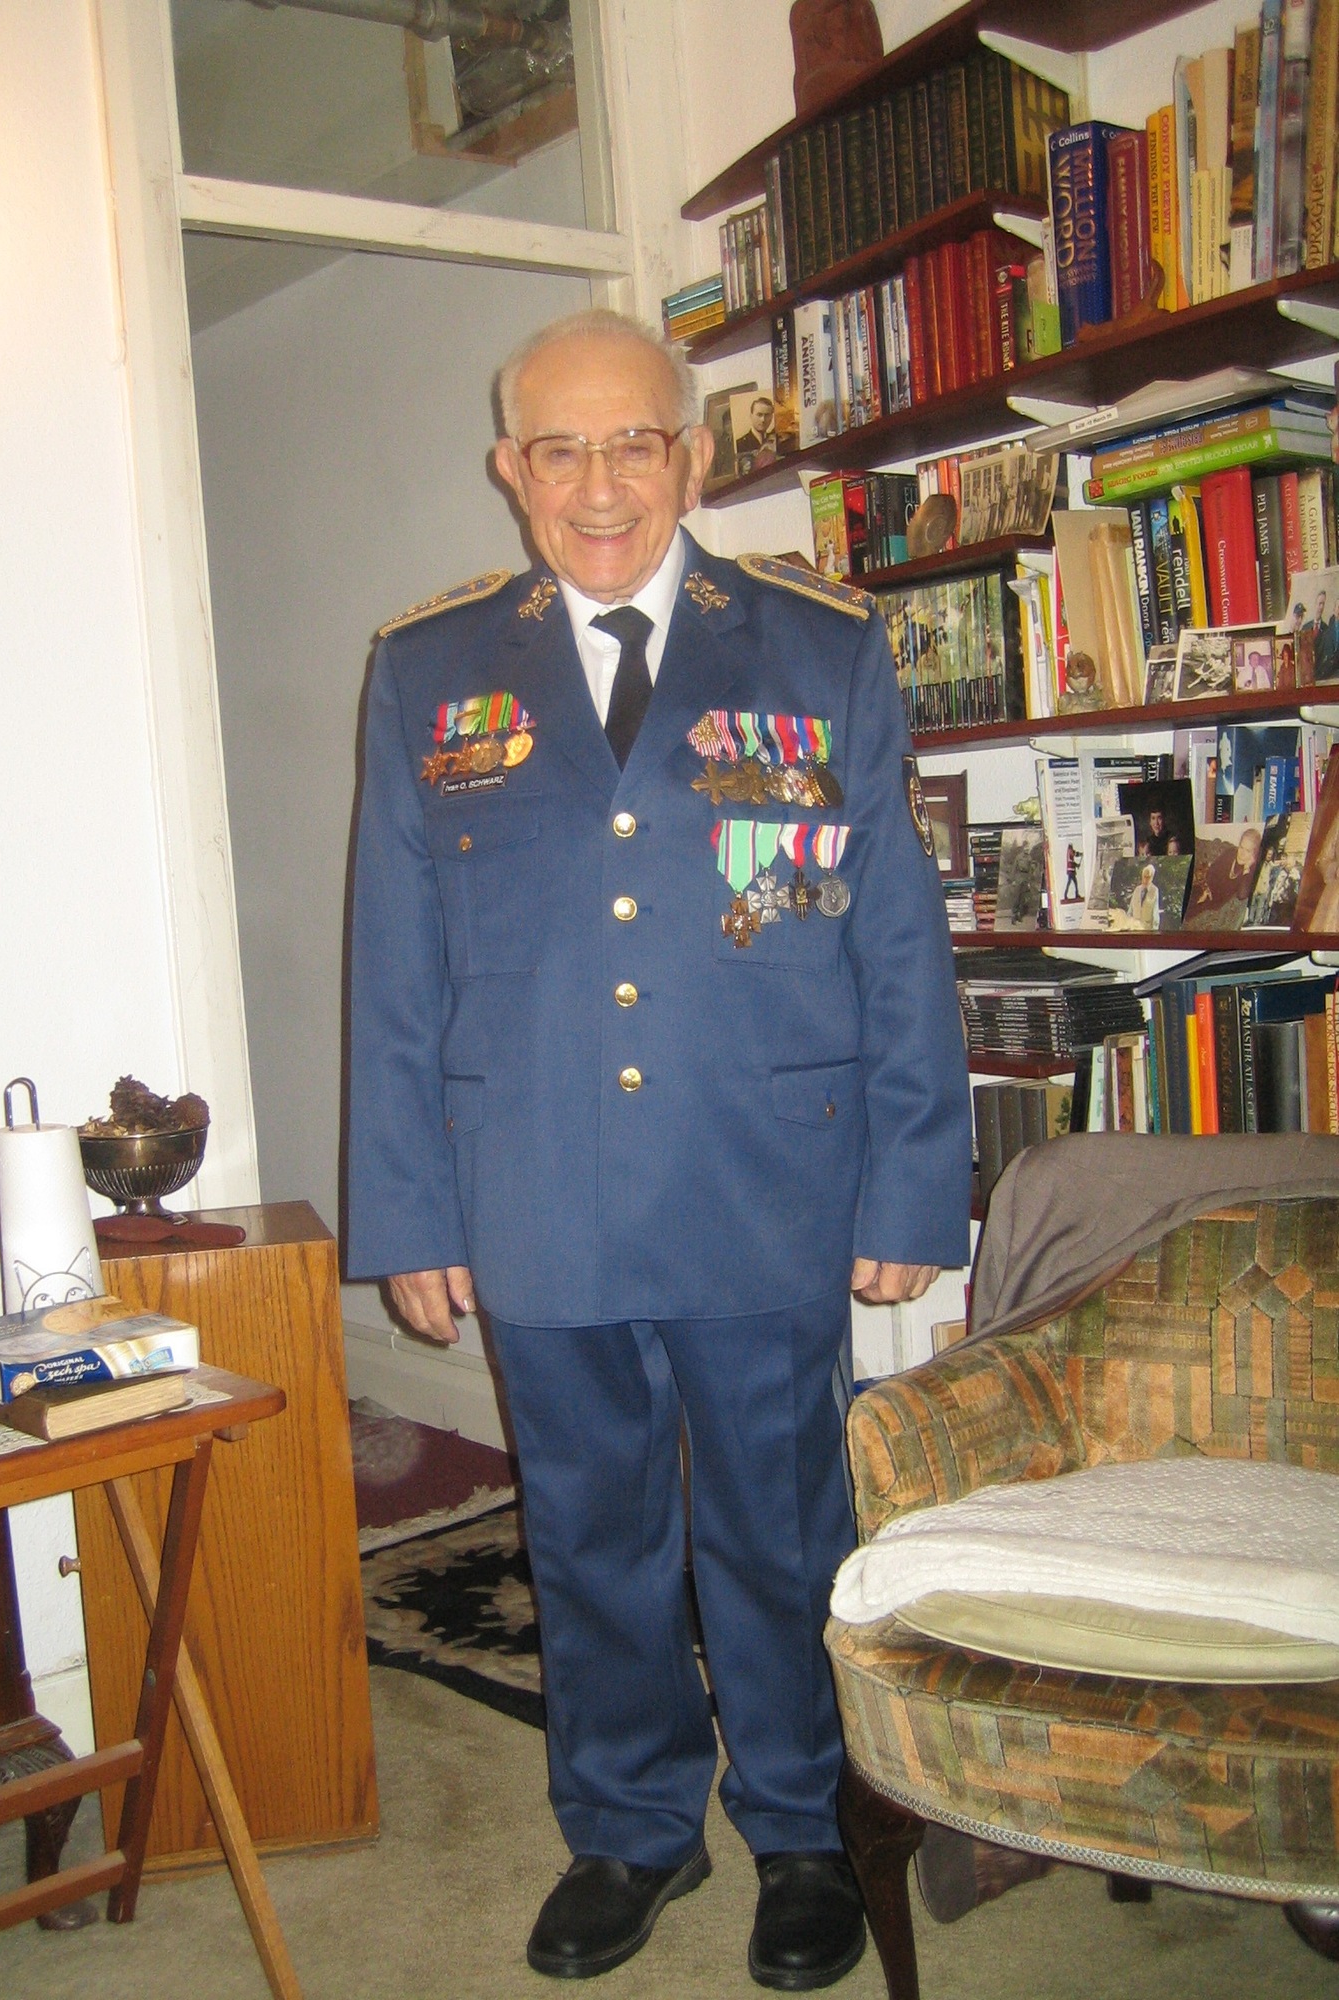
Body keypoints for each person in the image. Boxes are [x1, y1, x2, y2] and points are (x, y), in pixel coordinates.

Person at [347, 310, 970, 1991]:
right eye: (560, 449)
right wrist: (409, 1208)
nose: (601, 484)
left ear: (691, 457)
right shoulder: (428, 668)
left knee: (779, 1521)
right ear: (511, 470)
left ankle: (801, 1827)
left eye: (634, 442)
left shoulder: (817, 646)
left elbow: (890, 936)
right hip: (533, 1182)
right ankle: (630, 1828)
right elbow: (396, 964)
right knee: (587, 1528)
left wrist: (914, 1177)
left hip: (763, 1173)